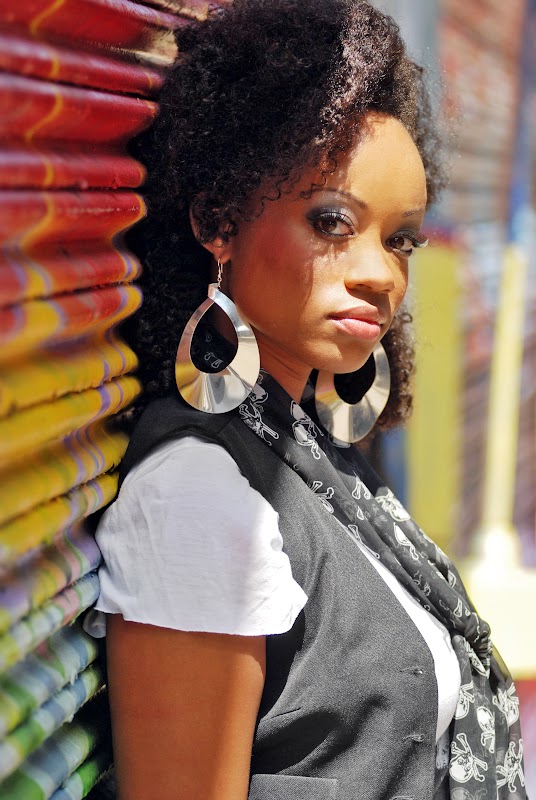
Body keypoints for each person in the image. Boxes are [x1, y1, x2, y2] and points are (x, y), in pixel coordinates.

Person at [83, 1, 527, 798]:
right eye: (332, 222)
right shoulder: (202, 497)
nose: (380, 275)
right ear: (219, 221)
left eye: (400, 239)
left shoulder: (313, 455)